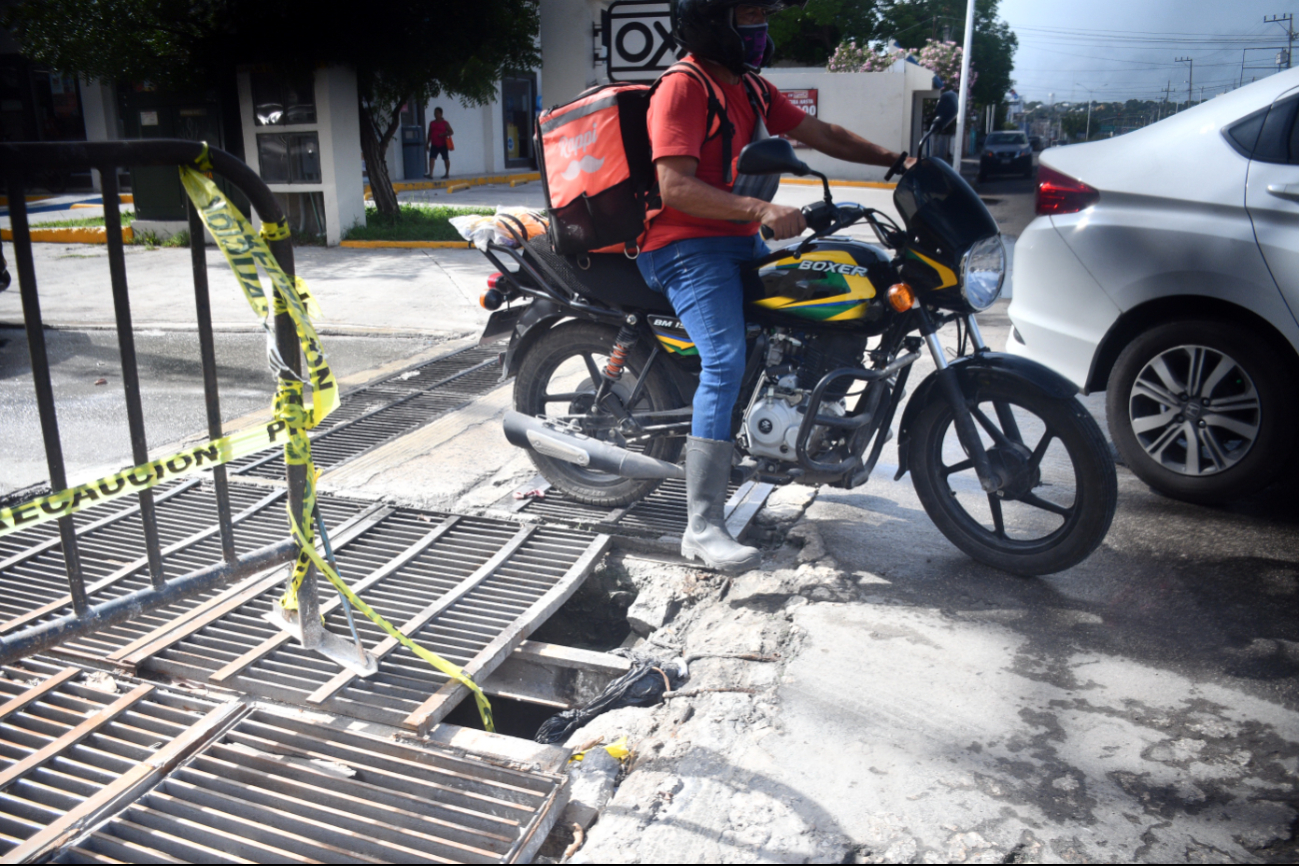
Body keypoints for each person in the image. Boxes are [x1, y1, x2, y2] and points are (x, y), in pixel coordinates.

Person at [639, 0, 914, 573]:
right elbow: (674, 186)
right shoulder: (683, 88)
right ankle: (703, 525)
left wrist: (898, 162)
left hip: (738, 240)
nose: (760, 29)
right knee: (724, 362)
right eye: (750, 15)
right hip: (685, 247)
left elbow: (821, 133)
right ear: (714, 20)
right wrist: (760, 207)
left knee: (801, 317)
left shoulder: (753, 88)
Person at [427, 107, 454, 179]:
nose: (436, 114)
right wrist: (427, 143)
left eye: (437, 113)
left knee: (446, 158)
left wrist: (443, 134)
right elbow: (429, 133)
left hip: (443, 144)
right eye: (435, 113)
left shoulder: (445, 123)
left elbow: (451, 132)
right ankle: (431, 174)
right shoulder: (432, 123)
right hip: (434, 143)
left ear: (441, 114)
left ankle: (447, 173)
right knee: (431, 158)